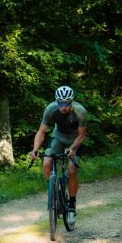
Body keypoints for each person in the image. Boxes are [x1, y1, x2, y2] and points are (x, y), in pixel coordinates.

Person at [30, 85, 88, 225]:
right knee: (46, 162)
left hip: (74, 139)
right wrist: (35, 149)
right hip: (58, 137)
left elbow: (82, 135)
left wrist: (73, 148)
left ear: (71, 102)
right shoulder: (51, 109)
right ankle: (53, 190)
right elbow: (42, 131)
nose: (64, 107)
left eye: (67, 103)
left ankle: (72, 206)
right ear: (57, 102)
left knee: (72, 171)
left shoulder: (80, 111)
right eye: (61, 103)